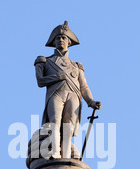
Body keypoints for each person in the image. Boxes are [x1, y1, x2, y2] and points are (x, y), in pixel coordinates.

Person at [34, 21, 101, 159]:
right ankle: (55, 152)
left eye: (64, 38)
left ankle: (65, 155)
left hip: (74, 95)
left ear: (69, 42)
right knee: (55, 123)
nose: (60, 40)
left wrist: (91, 101)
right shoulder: (45, 61)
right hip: (56, 93)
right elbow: (40, 81)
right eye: (58, 38)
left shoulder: (76, 66)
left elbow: (84, 87)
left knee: (68, 127)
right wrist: (58, 76)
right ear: (54, 41)